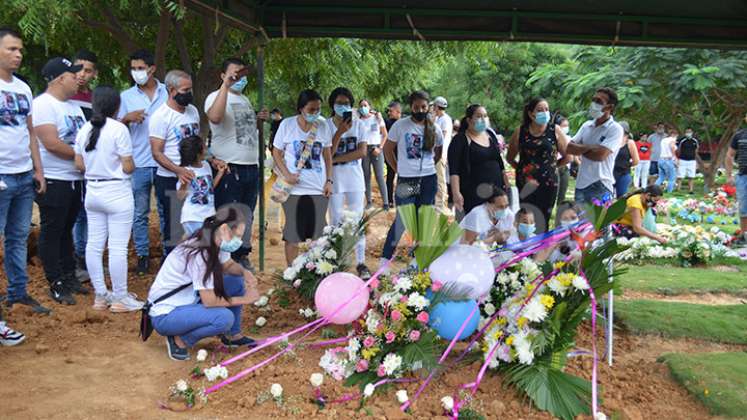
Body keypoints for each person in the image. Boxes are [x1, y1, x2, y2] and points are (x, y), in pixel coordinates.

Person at [147, 207, 260, 361]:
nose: (239, 242)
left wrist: (244, 272)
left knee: (235, 280)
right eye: (237, 236)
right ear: (225, 228)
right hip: (166, 314)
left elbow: (227, 265)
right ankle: (180, 340)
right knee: (224, 318)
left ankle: (232, 335)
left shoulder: (215, 240)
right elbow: (210, 301)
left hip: (186, 302)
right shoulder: (201, 252)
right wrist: (246, 299)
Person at [73, 86, 142, 312]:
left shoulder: (84, 129)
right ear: (116, 106)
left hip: (93, 191)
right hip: (117, 192)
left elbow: (79, 164)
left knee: (94, 244)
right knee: (118, 247)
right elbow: (128, 165)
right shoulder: (118, 129)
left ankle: (101, 296)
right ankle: (120, 297)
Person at [0, 27, 49, 314]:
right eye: (11, 49)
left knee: (18, 237)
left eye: (20, 50)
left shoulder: (23, 88)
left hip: (23, 175)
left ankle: (17, 293)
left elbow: (30, 133)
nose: (18, 54)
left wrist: (38, 170)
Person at [33, 57, 89, 305]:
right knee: (52, 231)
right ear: (59, 79)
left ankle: (69, 276)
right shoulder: (44, 105)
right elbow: (51, 143)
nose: (79, 78)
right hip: (54, 179)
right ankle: (54, 281)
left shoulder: (74, 107)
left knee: (66, 230)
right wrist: (81, 156)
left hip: (75, 179)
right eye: (73, 74)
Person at [204, 58, 267, 270]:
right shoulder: (215, 96)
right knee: (227, 215)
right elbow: (215, 117)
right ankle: (222, 259)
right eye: (234, 74)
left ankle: (241, 255)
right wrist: (225, 86)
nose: (238, 78)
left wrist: (259, 119)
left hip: (251, 165)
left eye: (241, 74)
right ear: (223, 76)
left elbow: (243, 132)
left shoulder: (245, 100)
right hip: (230, 167)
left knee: (246, 215)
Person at [119, 49, 169, 275]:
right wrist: (126, 119)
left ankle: (169, 254)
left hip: (164, 163)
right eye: (134, 69)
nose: (137, 73)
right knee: (139, 213)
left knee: (165, 210)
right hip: (138, 162)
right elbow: (115, 128)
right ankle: (142, 255)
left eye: (140, 68)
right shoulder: (126, 97)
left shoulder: (168, 93)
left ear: (152, 69)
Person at [381, 91, 444, 268]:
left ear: (428, 107)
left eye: (423, 107)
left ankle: (417, 262)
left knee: (423, 220)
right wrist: (397, 168)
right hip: (407, 181)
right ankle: (384, 262)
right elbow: (387, 149)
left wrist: (430, 166)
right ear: (411, 107)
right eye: (416, 107)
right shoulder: (400, 126)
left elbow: (438, 150)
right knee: (402, 219)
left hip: (428, 181)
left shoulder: (435, 127)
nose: (420, 110)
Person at [271, 89, 333, 266]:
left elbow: (328, 156)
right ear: (301, 108)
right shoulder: (287, 125)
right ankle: (292, 273)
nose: (316, 113)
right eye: (312, 109)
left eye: (318, 109)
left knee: (319, 235)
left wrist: (329, 181)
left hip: (318, 188)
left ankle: (316, 273)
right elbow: (276, 152)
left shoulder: (323, 126)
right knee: (293, 234)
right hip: (293, 189)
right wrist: (287, 174)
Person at [149, 69, 200, 257]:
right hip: (170, 180)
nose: (189, 94)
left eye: (191, 89)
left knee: (193, 226)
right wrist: (178, 170)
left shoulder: (193, 111)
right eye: (185, 90)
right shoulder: (160, 116)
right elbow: (156, 152)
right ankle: (171, 272)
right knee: (174, 231)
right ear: (171, 90)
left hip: (193, 179)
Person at [325, 88, 370, 277]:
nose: (342, 106)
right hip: (334, 179)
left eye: (346, 103)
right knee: (335, 219)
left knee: (356, 220)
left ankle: (361, 262)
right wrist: (339, 132)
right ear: (332, 105)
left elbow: (362, 152)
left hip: (354, 179)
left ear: (351, 105)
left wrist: (334, 160)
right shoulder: (326, 125)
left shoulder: (359, 125)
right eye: (339, 102)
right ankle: (335, 260)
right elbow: (327, 151)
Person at [507, 97, 569, 232]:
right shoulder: (521, 131)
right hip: (525, 184)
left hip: (548, 183)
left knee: (543, 219)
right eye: (540, 110)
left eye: (546, 109)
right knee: (526, 217)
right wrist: (524, 170)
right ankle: (525, 248)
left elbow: (568, 156)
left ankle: (541, 250)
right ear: (531, 113)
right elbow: (510, 158)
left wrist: (552, 166)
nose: (544, 112)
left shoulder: (555, 130)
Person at [564, 87, 623, 206]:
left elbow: (600, 156)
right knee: (581, 224)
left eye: (599, 101)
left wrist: (580, 148)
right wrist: (591, 147)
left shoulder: (615, 129)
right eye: (594, 100)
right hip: (581, 184)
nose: (594, 104)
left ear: (610, 107)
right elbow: (569, 148)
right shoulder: (586, 126)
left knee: (599, 224)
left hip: (601, 184)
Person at [449, 104, 508, 217]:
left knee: (496, 225)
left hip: (496, 192)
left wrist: (506, 181)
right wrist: (456, 193)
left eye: (485, 116)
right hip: (473, 193)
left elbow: (499, 161)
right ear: (469, 120)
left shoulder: (490, 135)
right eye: (479, 116)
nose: (483, 119)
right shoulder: (460, 140)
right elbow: (454, 170)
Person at [70, 49, 98, 282]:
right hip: (66, 168)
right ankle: (74, 261)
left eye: (87, 70)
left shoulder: (94, 101)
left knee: (88, 215)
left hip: (92, 168)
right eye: (78, 68)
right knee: (74, 216)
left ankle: (87, 260)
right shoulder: (62, 98)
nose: (82, 74)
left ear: (94, 74)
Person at [177, 136, 224, 236]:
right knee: (204, 247)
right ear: (198, 154)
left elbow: (209, 188)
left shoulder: (206, 165)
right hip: (193, 217)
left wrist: (220, 174)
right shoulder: (186, 170)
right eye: (204, 147)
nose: (206, 149)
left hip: (207, 215)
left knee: (203, 248)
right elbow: (180, 196)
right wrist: (184, 183)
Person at [358, 98, 389, 211]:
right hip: (364, 149)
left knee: (380, 176)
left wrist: (380, 148)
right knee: (366, 176)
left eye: (365, 105)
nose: (363, 108)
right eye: (361, 106)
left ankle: (385, 203)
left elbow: (385, 135)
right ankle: (369, 202)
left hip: (376, 148)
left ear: (370, 107)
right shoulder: (358, 120)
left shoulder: (377, 118)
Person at [725, 112, 747, 245]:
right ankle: (744, 236)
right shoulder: (739, 135)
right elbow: (729, 155)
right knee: (744, 207)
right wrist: (728, 175)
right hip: (743, 176)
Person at [432, 96, 453, 216]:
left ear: (437, 107)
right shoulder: (438, 119)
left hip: (441, 153)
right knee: (436, 179)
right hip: (435, 152)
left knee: (440, 180)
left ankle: (440, 205)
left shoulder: (445, 120)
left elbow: (442, 137)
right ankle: (437, 203)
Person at [613, 121, 640, 197]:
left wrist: (626, 165)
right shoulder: (612, 140)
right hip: (610, 172)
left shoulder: (630, 143)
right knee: (606, 197)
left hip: (623, 173)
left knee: (622, 197)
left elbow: (636, 160)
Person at [384, 101, 401, 208]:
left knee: (402, 180)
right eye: (388, 111)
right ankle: (389, 200)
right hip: (391, 155)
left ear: (398, 111)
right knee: (390, 178)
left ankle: (400, 200)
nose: (389, 113)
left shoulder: (405, 123)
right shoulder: (387, 122)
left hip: (403, 156)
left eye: (391, 111)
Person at [676, 128, 700, 194]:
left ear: (692, 132)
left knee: (691, 176)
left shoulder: (695, 141)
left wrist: (696, 160)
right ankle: (678, 189)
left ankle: (691, 190)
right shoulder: (682, 140)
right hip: (682, 160)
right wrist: (678, 158)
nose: (688, 133)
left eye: (690, 132)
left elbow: (696, 150)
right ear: (685, 133)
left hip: (692, 160)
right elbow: (678, 150)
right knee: (680, 176)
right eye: (687, 132)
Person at [655, 129, 678, 193]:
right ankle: (669, 192)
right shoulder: (672, 139)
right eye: (676, 136)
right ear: (673, 134)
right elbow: (672, 147)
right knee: (672, 178)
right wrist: (674, 156)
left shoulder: (664, 140)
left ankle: (653, 190)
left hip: (660, 159)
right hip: (668, 160)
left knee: (661, 177)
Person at [556, 116, 572, 205]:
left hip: (566, 167)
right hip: (557, 166)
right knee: (555, 190)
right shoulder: (554, 137)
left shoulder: (569, 138)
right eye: (564, 125)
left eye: (567, 125)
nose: (566, 128)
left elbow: (572, 155)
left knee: (563, 190)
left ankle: (559, 208)